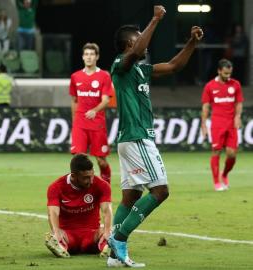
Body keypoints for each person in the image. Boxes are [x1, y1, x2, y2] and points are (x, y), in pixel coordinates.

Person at [107, 6, 203, 268]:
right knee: (160, 191)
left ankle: (114, 256)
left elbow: (173, 66)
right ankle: (119, 237)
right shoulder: (120, 64)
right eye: (139, 37)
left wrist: (191, 43)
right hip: (137, 138)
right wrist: (155, 19)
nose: (144, 43)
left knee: (130, 197)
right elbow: (137, 51)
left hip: (130, 139)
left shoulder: (140, 70)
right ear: (129, 42)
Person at [45, 154, 112, 258]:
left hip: (93, 235)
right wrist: (56, 232)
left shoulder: (102, 185)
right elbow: (53, 212)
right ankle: (61, 246)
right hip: (68, 235)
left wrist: (107, 232)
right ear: (73, 175)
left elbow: (106, 211)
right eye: (85, 178)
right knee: (53, 236)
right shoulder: (56, 187)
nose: (90, 181)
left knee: (111, 231)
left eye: (91, 176)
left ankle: (107, 247)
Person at [69, 43, 113, 184]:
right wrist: (74, 120)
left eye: (92, 54)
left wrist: (94, 111)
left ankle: (106, 183)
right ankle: (80, 188)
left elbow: (106, 100)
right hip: (80, 123)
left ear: (97, 57)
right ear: (82, 57)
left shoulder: (104, 76)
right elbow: (74, 100)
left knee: (101, 161)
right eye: (86, 54)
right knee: (78, 159)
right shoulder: (75, 77)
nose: (89, 57)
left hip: (97, 123)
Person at [201, 59, 244, 191]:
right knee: (216, 151)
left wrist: (238, 117)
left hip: (231, 124)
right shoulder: (209, 86)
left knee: (232, 154)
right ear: (219, 71)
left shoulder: (235, 84)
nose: (227, 76)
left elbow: (239, 103)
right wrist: (203, 124)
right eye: (225, 73)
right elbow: (206, 107)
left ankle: (224, 174)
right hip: (217, 124)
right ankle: (216, 183)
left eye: (229, 73)